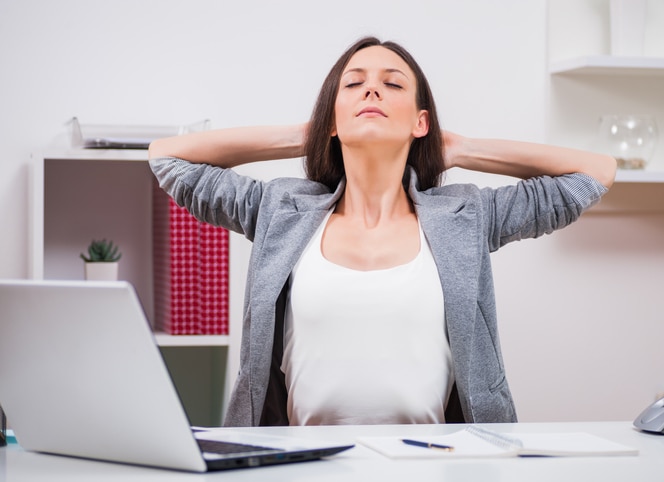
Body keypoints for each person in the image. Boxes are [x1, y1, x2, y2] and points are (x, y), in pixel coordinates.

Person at [148, 36, 616, 427]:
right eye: (353, 84)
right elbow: (167, 158)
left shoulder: (467, 217)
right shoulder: (280, 212)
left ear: (420, 122)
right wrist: (308, 133)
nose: (371, 91)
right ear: (333, 117)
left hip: (439, 467)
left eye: (392, 84)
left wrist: (462, 148)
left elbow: (595, 173)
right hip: (304, 468)